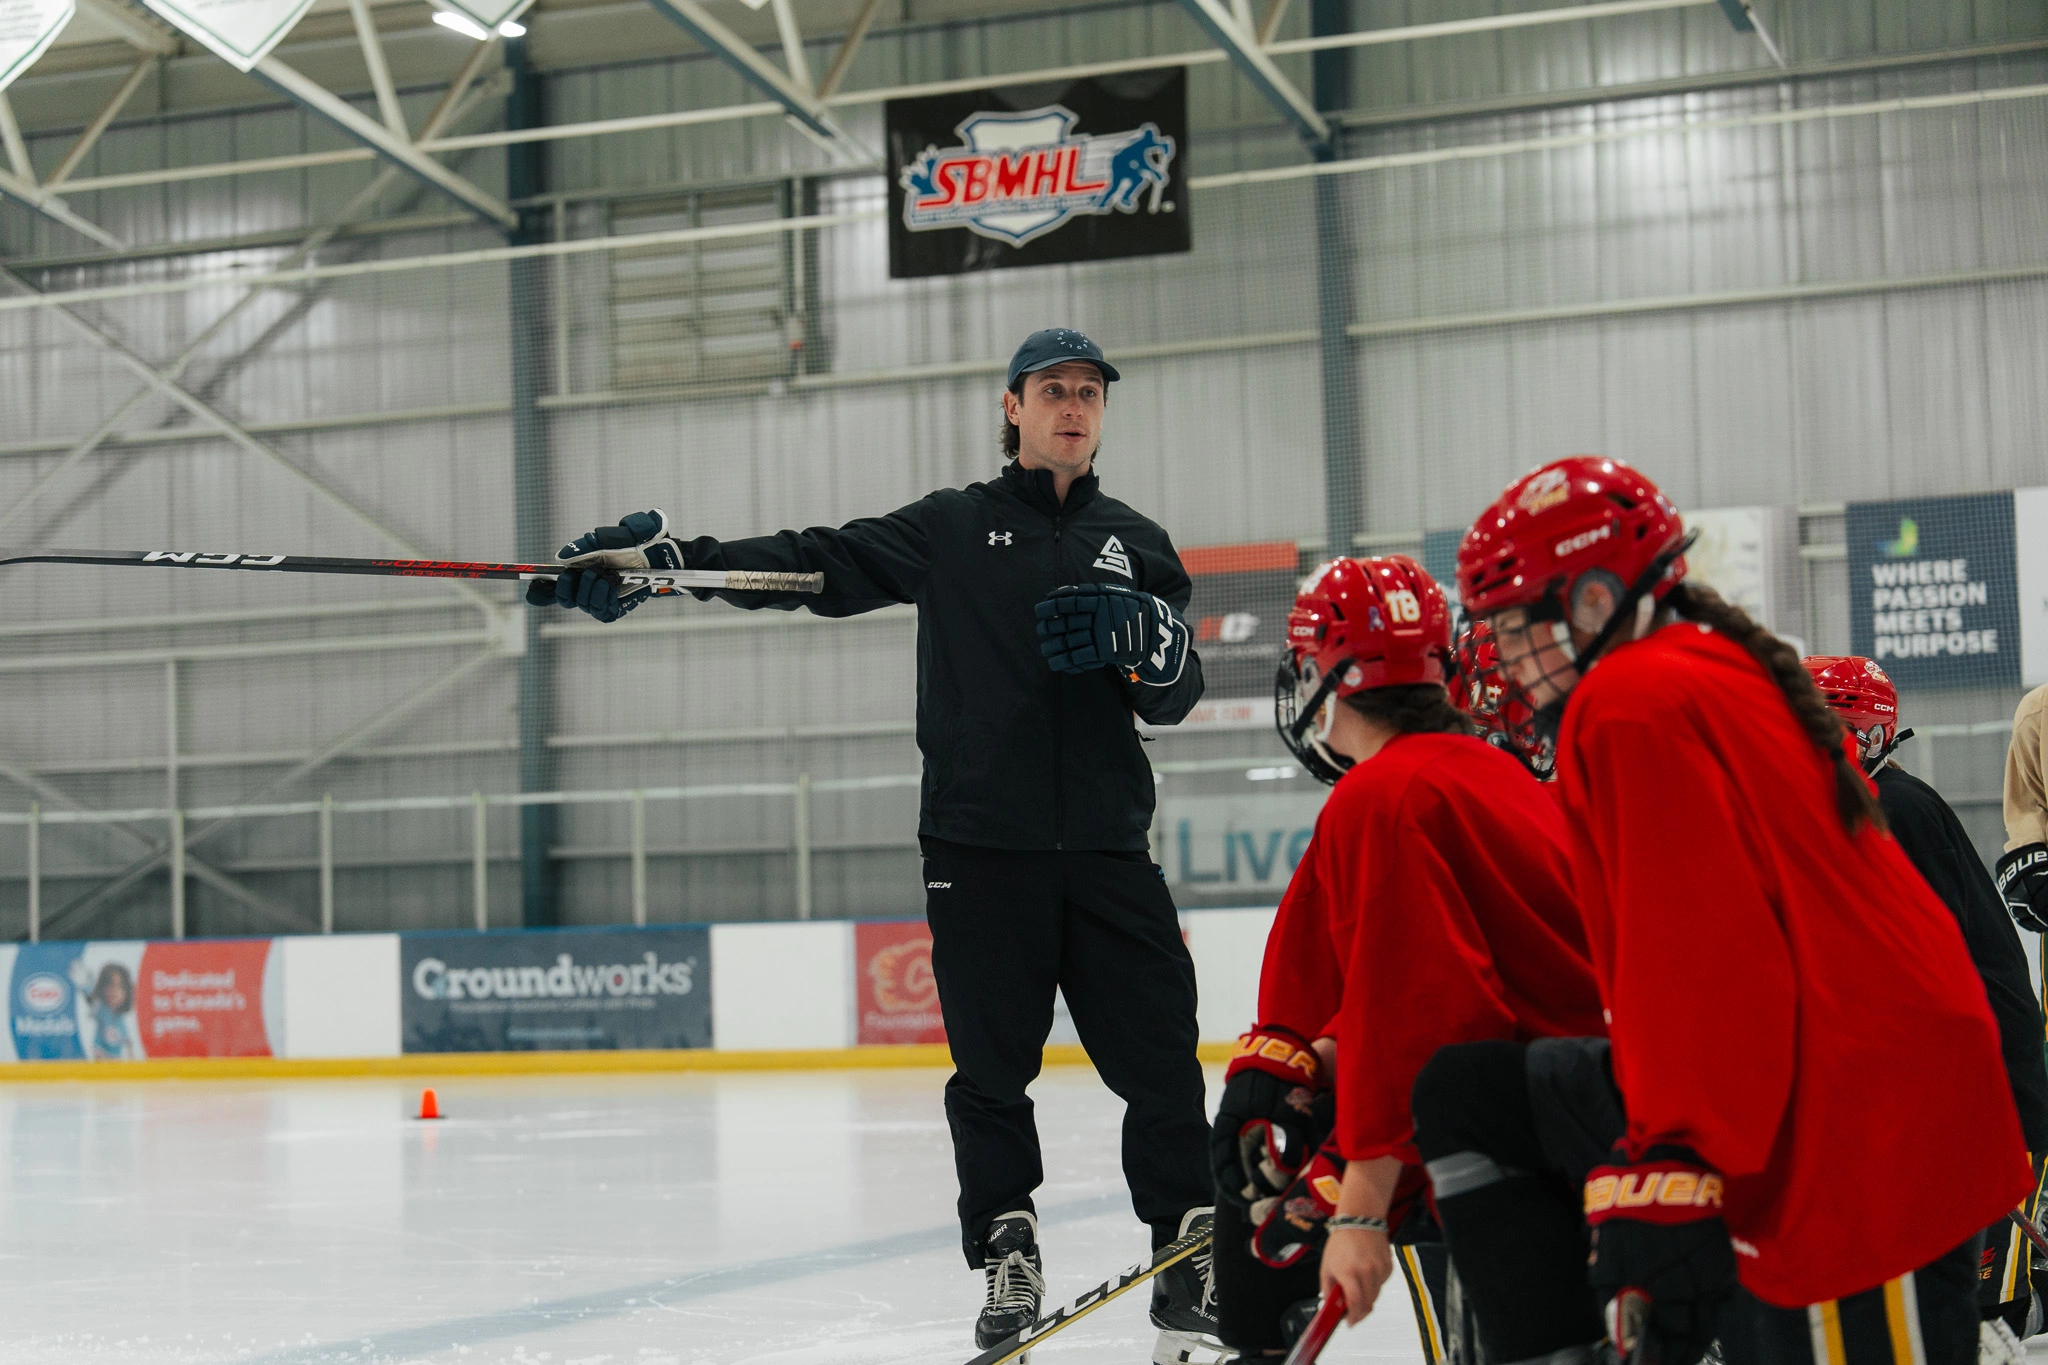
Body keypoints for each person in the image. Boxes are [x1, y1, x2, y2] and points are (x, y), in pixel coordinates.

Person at [528, 328, 1218, 1358]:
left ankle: (1185, 1245)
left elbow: (1173, 699)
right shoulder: (952, 528)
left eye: (1088, 392)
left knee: (1162, 1066)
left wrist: (1156, 643)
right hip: (979, 847)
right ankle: (1005, 1243)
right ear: (1011, 408)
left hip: (1111, 850)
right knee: (991, 1072)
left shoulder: (1140, 543)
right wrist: (671, 568)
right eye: (1051, 390)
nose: (1072, 405)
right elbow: (818, 564)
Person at [1409, 455, 2031, 1365]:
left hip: (1858, 1143)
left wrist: (1672, 1162)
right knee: (1470, 1093)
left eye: (1513, 622)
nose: (1503, 653)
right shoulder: (1697, 668)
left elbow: (1703, 960)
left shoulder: (1628, 702)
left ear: (1589, 603)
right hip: (1854, 1109)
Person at [1207, 555, 1605, 1359]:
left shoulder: (1380, 795)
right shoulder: (1490, 772)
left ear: (1329, 671)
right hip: (1593, 1098)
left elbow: (1431, 1017)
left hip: (1532, 1131)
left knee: (1260, 1213)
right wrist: (1321, 1059)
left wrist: (1358, 1209)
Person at [1805, 656, 2048, 1346]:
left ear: (1866, 732)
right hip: (1958, 1088)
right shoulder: (1863, 806)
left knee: (1978, 1305)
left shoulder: (1895, 811)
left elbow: (1920, 978)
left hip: (1983, 1090)